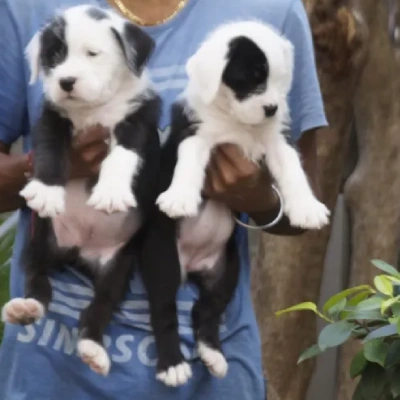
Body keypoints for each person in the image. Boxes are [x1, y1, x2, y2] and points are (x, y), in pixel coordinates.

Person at [0, 0, 327, 398]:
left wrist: (254, 194)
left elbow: (307, 205)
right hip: (51, 377)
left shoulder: (272, 12)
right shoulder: (25, 8)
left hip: (210, 383)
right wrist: (51, 167)